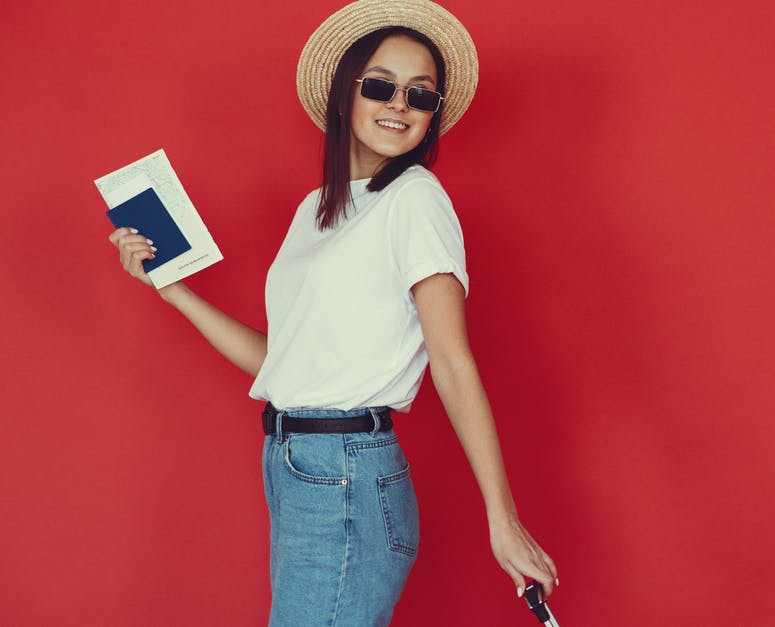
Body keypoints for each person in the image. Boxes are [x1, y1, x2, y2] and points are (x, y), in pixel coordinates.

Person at [106, 0, 558, 624]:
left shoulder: (415, 200)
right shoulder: (316, 209)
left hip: (345, 471)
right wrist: (173, 290)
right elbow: (281, 362)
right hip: (297, 468)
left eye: (420, 95)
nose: (400, 105)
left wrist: (501, 520)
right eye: (380, 86)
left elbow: (452, 362)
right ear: (346, 95)